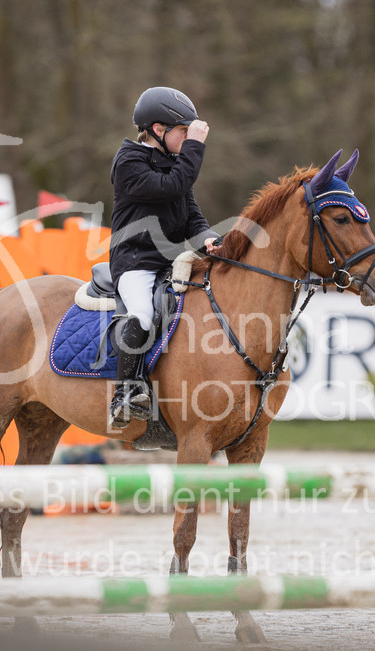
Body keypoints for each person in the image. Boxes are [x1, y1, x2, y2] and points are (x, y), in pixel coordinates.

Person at [107, 86, 222, 429]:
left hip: (170, 262)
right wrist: (195, 147)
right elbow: (170, 187)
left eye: (190, 134)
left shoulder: (175, 165)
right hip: (135, 261)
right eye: (183, 132)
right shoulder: (128, 161)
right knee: (142, 315)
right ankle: (125, 392)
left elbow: (192, 218)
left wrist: (212, 240)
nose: (188, 139)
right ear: (158, 130)